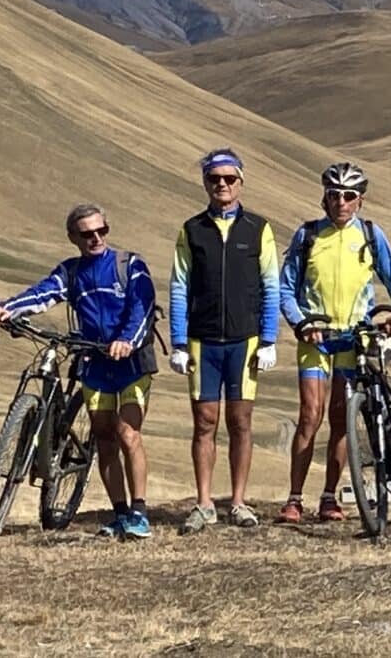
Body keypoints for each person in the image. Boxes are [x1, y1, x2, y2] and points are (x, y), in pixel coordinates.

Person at [0, 204, 159, 540]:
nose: (96, 238)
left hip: (131, 364)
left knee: (128, 434)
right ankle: (120, 513)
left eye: (101, 231)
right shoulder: (71, 271)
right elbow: (44, 293)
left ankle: (140, 512)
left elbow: (144, 307)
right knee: (104, 437)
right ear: (73, 238)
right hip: (94, 364)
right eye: (87, 234)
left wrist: (127, 340)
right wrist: (7, 309)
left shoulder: (130, 265)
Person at [274, 162, 391, 525]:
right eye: (333, 195)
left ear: (360, 201)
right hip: (315, 337)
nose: (340, 202)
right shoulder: (308, 235)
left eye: (348, 196)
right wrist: (301, 323)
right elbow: (285, 288)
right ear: (324, 197)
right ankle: (294, 499)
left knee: (341, 420)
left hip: (354, 338)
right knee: (310, 416)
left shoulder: (369, 234)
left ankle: (329, 497)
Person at [167, 148, 286, 534]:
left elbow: (271, 286)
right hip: (203, 340)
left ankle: (237, 501)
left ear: (240, 182)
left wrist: (269, 339)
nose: (222, 184)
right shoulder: (191, 230)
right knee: (205, 421)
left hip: (245, 340)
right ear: (205, 182)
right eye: (214, 178)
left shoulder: (258, 228)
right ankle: (203, 503)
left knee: (241, 421)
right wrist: (179, 343)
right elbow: (179, 286)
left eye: (229, 178)